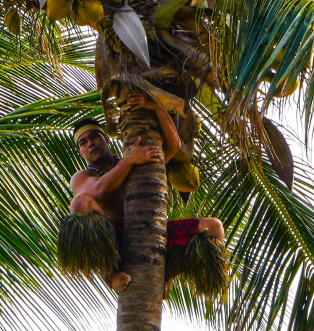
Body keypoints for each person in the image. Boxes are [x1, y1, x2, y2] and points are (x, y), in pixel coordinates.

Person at [68, 96, 225, 293]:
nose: (90, 143)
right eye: (83, 142)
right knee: (79, 204)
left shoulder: (135, 160)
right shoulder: (82, 176)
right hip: (115, 237)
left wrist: (156, 106)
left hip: (153, 231)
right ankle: (110, 274)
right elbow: (99, 190)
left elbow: (173, 146)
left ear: (106, 139)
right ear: (81, 152)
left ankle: (166, 275)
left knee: (214, 227)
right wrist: (130, 160)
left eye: (94, 137)